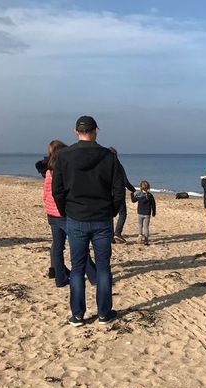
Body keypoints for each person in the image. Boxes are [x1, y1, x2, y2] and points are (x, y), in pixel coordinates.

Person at [52, 116, 124, 327]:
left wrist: (66, 210)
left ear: (77, 131)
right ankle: (102, 313)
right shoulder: (107, 156)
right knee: (102, 267)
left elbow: (57, 189)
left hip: (81, 218)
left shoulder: (65, 156)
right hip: (95, 218)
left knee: (78, 267)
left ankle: (78, 315)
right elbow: (118, 189)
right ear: (96, 131)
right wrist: (112, 210)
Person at [43, 140, 96, 286]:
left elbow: (45, 194)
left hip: (51, 214)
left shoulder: (48, 171)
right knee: (78, 245)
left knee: (58, 247)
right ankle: (93, 275)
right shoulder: (63, 172)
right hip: (63, 214)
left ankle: (60, 279)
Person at [108, 147, 136, 244]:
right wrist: (133, 190)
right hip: (118, 194)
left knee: (109, 215)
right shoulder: (119, 166)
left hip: (107, 193)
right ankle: (117, 233)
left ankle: (111, 235)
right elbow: (125, 182)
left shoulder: (103, 166)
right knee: (122, 213)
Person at [131, 180, 157, 245]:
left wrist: (132, 195)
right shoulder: (150, 195)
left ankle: (140, 235)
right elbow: (153, 204)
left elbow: (133, 200)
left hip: (140, 213)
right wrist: (154, 212)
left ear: (140, 187)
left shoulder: (139, 194)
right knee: (146, 227)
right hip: (147, 213)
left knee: (140, 225)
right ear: (148, 187)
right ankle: (146, 240)